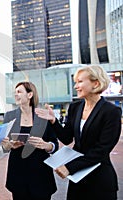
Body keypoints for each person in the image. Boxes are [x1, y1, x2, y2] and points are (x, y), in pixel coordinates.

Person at [35, 65, 122, 200]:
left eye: (80, 81)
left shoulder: (111, 112)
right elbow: (67, 138)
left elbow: (101, 150)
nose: (76, 86)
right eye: (76, 82)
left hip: (99, 181)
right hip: (78, 180)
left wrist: (70, 167)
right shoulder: (75, 107)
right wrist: (53, 121)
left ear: (96, 83)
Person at [1, 81, 59, 200]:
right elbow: (4, 148)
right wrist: (8, 145)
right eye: (15, 92)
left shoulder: (43, 115)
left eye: (19, 92)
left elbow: (54, 144)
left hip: (41, 174)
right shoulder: (9, 116)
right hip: (18, 173)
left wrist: (45, 145)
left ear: (30, 95)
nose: (16, 95)